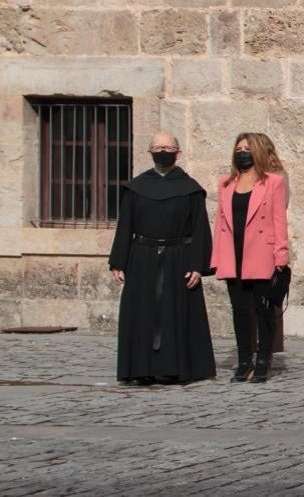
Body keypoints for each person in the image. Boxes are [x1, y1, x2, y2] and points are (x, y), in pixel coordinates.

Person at [109, 132, 215, 385]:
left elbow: (200, 230)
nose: (162, 150)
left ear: (178, 152)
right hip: (142, 258)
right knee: (142, 314)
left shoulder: (190, 189)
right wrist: (118, 261)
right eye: (157, 147)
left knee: (176, 314)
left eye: (167, 147)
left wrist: (198, 265)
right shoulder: (136, 187)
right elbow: (125, 226)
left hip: (179, 259)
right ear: (150, 152)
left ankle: (175, 369)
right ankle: (140, 369)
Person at [210, 132, 290, 384]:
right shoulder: (225, 183)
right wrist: (216, 256)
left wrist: (281, 255)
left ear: (256, 151)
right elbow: (219, 222)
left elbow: (280, 220)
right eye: (238, 148)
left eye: (246, 148)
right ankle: (244, 360)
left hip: (262, 253)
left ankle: (264, 359)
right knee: (240, 310)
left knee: (264, 309)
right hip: (232, 254)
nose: (241, 152)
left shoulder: (272, 182)